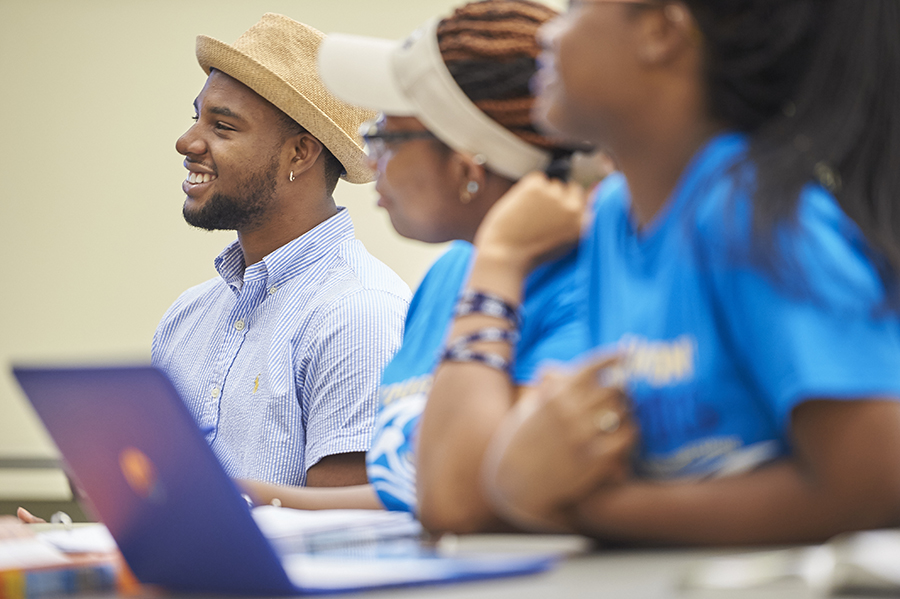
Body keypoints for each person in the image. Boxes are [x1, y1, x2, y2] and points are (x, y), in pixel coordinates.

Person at [423, 0, 900, 543]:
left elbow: (872, 483)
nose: (547, 36)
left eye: (574, 10)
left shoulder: (746, 211)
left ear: (659, 32)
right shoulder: (610, 216)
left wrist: (584, 510)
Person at [238, 0, 600, 519]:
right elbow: (417, 488)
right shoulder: (449, 276)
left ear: (465, 168)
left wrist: (497, 265)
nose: (368, 161)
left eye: (385, 137)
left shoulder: (584, 282)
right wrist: (261, 501)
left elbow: (464, 499)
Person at [151, 13, 410, 490]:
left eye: (223, 127)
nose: (187, 142)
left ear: (300, 154)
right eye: (197, 118)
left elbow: (345, 538)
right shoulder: (185, 318)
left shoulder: (359, 314)